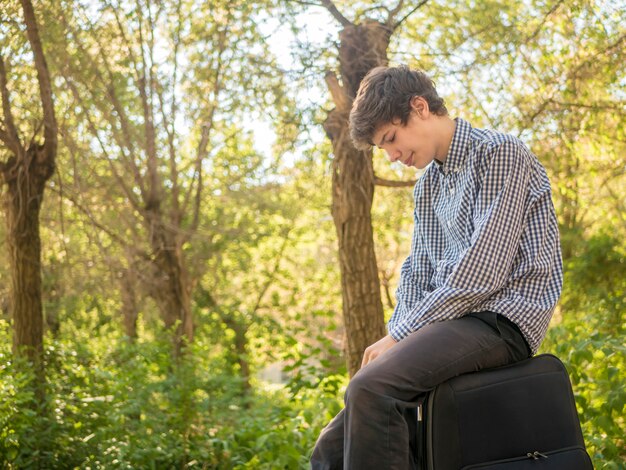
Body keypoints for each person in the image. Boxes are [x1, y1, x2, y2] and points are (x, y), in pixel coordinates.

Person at [310, 65, 563, 470]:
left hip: (501, 320)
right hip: (448, 325)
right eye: (383, 149)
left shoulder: (499, 153)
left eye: (391, 139)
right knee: (329, 448)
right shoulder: (428, 186)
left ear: (420, 106)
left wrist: (401, 336)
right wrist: (395, 332)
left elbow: (482, 274)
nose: (392, 156)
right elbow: (417, 273)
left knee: (373, 389)